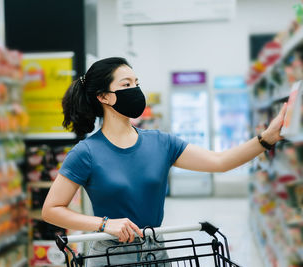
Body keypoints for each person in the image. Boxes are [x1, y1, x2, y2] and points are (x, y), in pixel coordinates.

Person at [42, 57, 286, 266]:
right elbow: (51, 210)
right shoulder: (86, 152)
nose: (135, 90)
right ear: (104, 96)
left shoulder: (161, 143)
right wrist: (105, 224)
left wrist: (266, 139)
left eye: (137, 83)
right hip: (110, 255)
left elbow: (219, 161)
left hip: (156, 252)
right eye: (126, 85)